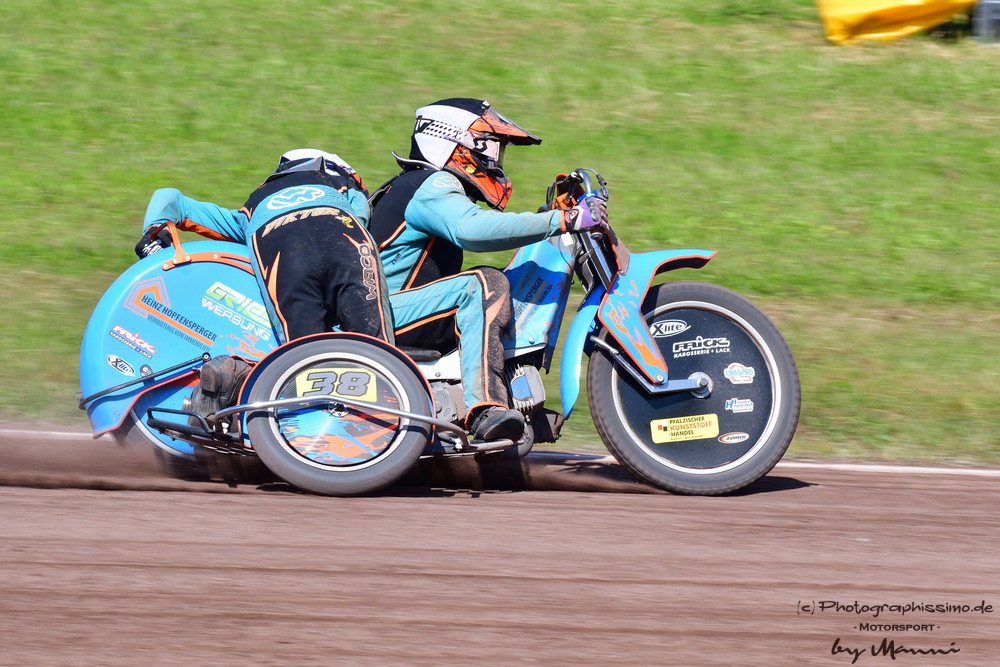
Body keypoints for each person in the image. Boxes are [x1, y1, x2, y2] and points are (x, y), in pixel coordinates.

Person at [369, 98, 606, 443]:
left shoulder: (417, 186)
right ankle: (484, 408)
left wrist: (549, 219)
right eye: (490, 148)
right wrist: (564, 220)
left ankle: (511, 395)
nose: (495, 160)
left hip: (392, 311)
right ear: (457, 143)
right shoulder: (429, 184)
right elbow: (473, 230)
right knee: (482, 285)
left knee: (495, 284)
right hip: (385, 315)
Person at [136, 149, 394, 418]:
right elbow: (362, 219)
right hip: (344, 236)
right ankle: (390, 416)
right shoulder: (342, 186)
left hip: (277, 245)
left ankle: (238, 385)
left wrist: (153, 238)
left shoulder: (253, 208)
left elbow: (169, 197)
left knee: (303, 361)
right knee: (379, 352)